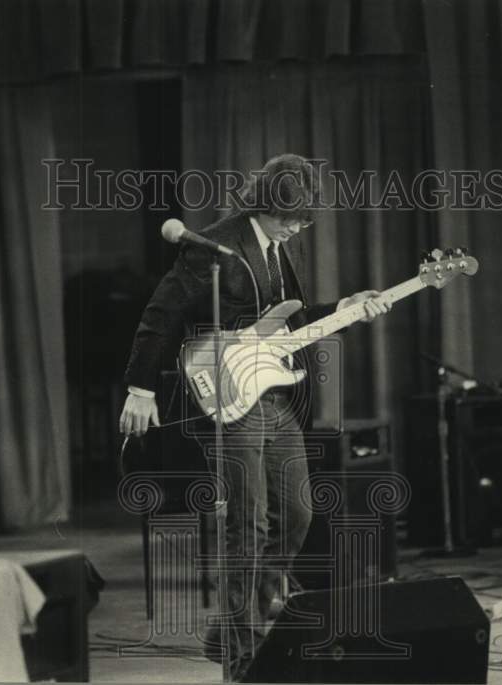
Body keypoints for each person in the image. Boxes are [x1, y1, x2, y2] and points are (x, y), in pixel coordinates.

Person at [119, 153, 390, 679]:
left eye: (304, 220)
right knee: (248, 521)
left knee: (297, 512)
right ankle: (242, 662)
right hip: (226, 393)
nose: (296, 228)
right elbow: (162, 313)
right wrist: (140, 388)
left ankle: (231, 625)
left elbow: (290, 321)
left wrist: (348, 307)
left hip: (271, 393)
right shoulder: (216, 248)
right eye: (288, 218)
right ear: (262, 204)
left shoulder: (280, 246)